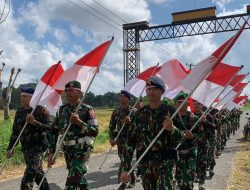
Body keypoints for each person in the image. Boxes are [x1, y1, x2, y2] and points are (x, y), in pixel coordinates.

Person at [120, 76, 194, 190]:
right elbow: (130, 142)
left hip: (166, 164)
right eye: (149, 89)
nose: (151, 91)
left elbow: (184, 137)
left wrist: (172, 129)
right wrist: (125, 168)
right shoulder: (139, 114)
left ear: (162, 91)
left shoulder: (170, 111)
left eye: (155, 88)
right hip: (146, 165)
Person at [47, 80, 98, 190]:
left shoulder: (87, 109)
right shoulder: (62, 110)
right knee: (80, 181)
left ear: (79, 93)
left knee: (72, 181)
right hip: (68, 150)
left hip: (82, 149)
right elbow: (54, 131)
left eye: (71, 90)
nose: (68, 93)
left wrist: (79, 122)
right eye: (66, 90)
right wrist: (52, 152)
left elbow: (95, 131)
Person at [6, 87, 51, 190]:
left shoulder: (41, 111)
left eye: (25, 96)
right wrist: (10, 148)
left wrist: (34, 122)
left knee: (28, 179)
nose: (22, 98)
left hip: (38, 149)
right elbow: (15, 133)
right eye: (21, 96)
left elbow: (50, 128)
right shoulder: (20, 112)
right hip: (26, 149)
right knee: (39, 175)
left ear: (32, 98)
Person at [174, 94, 202, 190]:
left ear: (187, 104)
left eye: (184, 102)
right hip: (173, 154)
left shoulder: (193, 119)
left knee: (187, 181)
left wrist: (193, 136)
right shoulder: (171, 119)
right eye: (179, 102)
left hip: (189, 154)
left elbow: (202, 136)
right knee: (174, 181)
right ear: (175, 104)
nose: (182, 104)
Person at [109, 90, 136, 189]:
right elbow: (111, 127)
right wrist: (112, 138)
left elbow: (139, 128)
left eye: (124, 96)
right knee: (124, 159)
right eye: (120, 96)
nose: (122, 98)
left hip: (131, 140)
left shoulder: (133, 112)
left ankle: (122, 182)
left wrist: (130, 123)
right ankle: (132, 178)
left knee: (125, 159)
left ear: (128, 99)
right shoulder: (116, 111)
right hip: (120, 140)